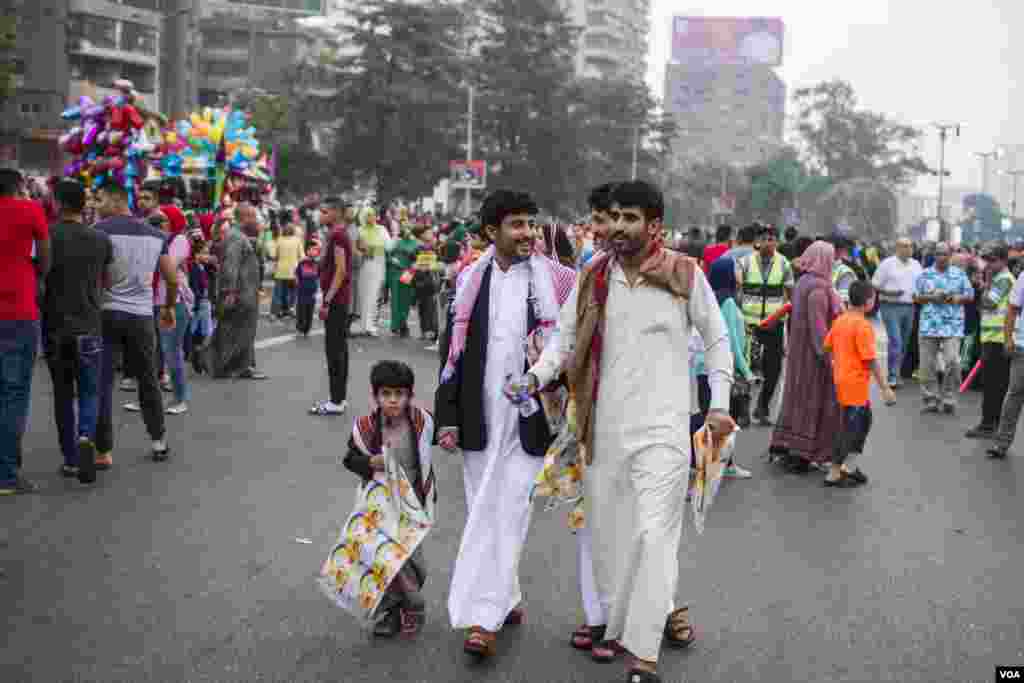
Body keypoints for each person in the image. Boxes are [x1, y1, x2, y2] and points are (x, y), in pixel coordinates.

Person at [523, 180, 734, 683]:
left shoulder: (685, 273)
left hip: (663, 430)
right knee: (611, 540)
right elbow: (564, 341)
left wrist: (719, 405)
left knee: (655, 533)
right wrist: (535, 377)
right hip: (603, 429)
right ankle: (627, 624)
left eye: (631, 218)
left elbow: (717, 337)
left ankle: (644, 656)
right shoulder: (594, 276)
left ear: (655, 225)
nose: (618, 227)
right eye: (614, 217)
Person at [435, 189, 576, 658]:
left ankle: (484, 618)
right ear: (490, 232)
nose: (528, 234)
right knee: (484, 509)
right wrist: (447, 419)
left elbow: (570, 348)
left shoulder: (558, 281)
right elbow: (451, 357)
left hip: (531, 421)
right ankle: (507, 595)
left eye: (531, 224)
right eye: (516, 224)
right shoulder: (470, 280)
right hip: (479, 420)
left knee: (511, 509)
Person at [320, 360, 436, 636]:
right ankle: (395, 611)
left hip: (414, 506)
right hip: (378, 507)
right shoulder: (365, 427)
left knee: (410, 561)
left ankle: (409, 604)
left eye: (399, 394)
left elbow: (447, 435)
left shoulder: (422, 421)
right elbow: (349, 459)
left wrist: (450, 438)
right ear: (375, 396)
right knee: (382, 561)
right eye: (386, 394)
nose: (393, 401)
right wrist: (370, 462)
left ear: (409, 395)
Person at [95, 183, 176, 464]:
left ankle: (103, 450)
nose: (96, 204)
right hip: (142, 316)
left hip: (107, 313)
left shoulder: (100, 232)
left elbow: (97, 276)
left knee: (102, 381)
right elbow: (172, 278)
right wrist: (168, 307)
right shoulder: (156, 235)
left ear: (115, 200)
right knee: (148, 380)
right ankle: (158, 441)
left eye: (100, 199)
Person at [42, 179, 113, 483]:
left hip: (56, 327)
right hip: (90, 326)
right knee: (89, 390)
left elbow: (40, 278)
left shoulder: (47, 236)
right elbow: (108, 282)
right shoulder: (100, 240)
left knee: (62, 393)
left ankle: (70, 458)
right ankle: (87, 436)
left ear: (58, 204)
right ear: (83, 205)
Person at [769, 241, 843, 473]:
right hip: (813, 357)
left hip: (798, 351)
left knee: (795, 398)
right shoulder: (820, 289)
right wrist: (828, 357)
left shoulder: (803, 282)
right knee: (812, 402)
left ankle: (786, 445)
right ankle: (802, 453)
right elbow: (819, 329)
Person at [0, 169, 49, 495]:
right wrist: (37, 276)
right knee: (13, 393)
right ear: (20, 188)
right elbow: (46, 257)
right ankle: (5, 475)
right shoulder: (30, 210)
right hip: (19, 311)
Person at [822, 280, 896, 486]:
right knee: (851, 428)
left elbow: (826, 347)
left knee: (862, 422)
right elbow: (870, 359)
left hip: (844, 380)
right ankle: (834, 472)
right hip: (854, 383)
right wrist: (885, 388)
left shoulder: (841, 320)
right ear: (869, 301)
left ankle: (848, 466)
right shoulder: (863, 326)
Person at [736, 224, 794, 425]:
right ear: (757, 242)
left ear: (777, 242)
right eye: (764, 238)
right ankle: (743, 410)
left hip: (774, 326)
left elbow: (789, 294)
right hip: (749, 326)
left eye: (772, 238)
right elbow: (738, 292)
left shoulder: (784, 264)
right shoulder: (744, 263)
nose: (768, 242)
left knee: (773, 369)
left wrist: (785, 319)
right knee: (745, 370)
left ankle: (762, 407)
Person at [207, 203, 267, 381]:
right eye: (253, 216)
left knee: (245, 331)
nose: (256, 220)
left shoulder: (240, 236)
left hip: (247, 291)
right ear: (245, 218)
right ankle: (224, 366)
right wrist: (230, 291)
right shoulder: (235, 237)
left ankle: (244, 366)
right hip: (240, 293)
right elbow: (230, 266)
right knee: (232, 330)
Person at [913, 242, 974, 415]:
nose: (942, 257)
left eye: (945, 254)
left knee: (953, 361)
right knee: (926, 365)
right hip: (929, 325)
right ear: (934, 255)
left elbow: (970, 295)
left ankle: (949, 398)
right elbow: (916, 297)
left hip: (952, 325)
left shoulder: (959, 274)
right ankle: (930, 399)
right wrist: (932, 297)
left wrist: (956, 298)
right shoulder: (924, 274)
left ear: (950, 256)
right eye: (939, 254)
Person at [966, 246, 1015, 438]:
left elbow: (988, 303)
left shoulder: (1003, 280)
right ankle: (992, 424)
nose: (988, 265)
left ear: (1003, 261)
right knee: (994, 384)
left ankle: (989, 425)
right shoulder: (998, 278)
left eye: (993, 260)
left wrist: (985, 285)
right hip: (993, 338)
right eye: (987, 260)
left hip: (997, 340)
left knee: (994, 385)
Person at [310, 197, 353, 416]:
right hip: (339, 299)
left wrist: (327, 300)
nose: (321, 215)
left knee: (334, 351)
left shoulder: (337, 235)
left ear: (336, 213)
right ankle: (339, 398)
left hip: (336, 301)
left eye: (325, 211)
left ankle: (336, 401)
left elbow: (341, 270)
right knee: (339, 350)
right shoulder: (336, 235)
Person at [872, 238, 922, 388]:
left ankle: (897, 372)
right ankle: (892, 376)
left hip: (910, 306)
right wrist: (888, 291)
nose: (908, 249)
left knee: (905, 342)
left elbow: (921, 283)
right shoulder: (887, 264)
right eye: (905, 246)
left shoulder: (916, 264)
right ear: (897, 248)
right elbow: (874, 284)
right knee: (896, 340)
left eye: (910, 246)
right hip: (890, 306)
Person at [356, 208, 392, 337]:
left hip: (378, 263)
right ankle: (362, 325)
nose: (370, 218)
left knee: (374, 295)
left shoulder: (381, 230)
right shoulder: (359, 230)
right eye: (367, 215)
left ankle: (371, 326)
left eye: (372, 215)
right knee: (363, 295)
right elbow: (355, 247)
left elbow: (389, 246)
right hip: (363, 265)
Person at [386, 224, 420, 337]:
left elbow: (420, 257)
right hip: (395, 272)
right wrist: (392, 260)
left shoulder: (416, 243)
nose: (407, 231)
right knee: (396, 300)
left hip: (408, 272)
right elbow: (387, 253)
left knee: (405, 300)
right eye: (404, 228)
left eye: (408, 228)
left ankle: (403, 323)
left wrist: (415, 264)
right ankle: (395, 326)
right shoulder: (397, 242)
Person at [268, 223, 304, 319]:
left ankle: (274, 313)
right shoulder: (297, 241)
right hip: (293, 271)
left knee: (277, 293)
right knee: (292, 292)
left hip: (280, 270)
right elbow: (302, 256)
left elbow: (274, 255)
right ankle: (290, 309)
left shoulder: (279, 240)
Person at [294, 244, 320, 337]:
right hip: (302, 290)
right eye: (312, 249)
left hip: (312, 291)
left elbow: (319, 276)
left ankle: (307, 329)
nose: (314, 251)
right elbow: (297, 275)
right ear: (307, 251)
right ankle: (300, 328)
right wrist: (297, 285)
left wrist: (318, 288)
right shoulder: (302, 262)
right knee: (301, 310)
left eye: (316, 250)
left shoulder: (317, 263)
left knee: (310, 310)